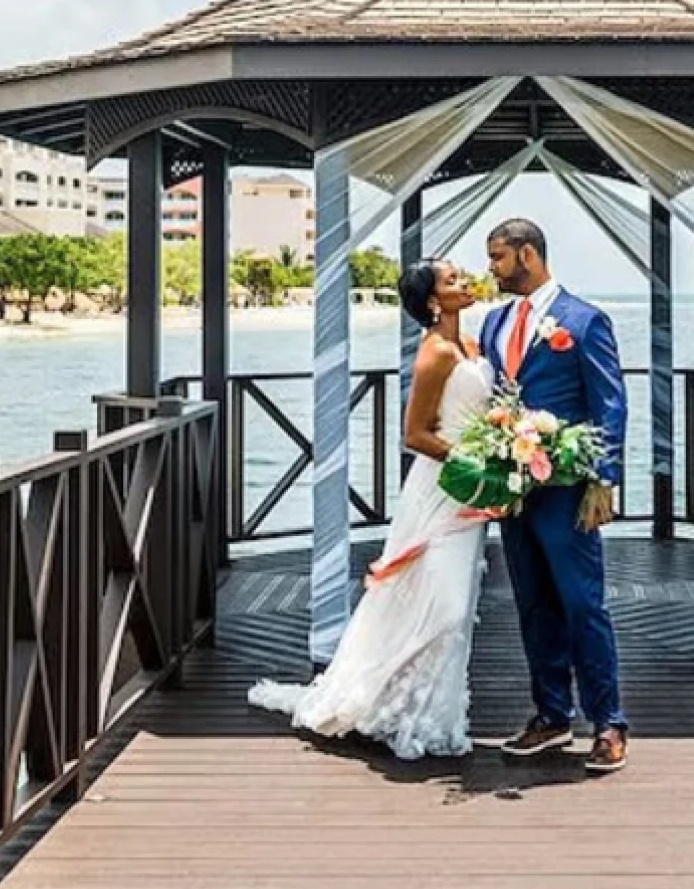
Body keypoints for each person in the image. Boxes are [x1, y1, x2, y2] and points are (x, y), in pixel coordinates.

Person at [247, 260, 494, 759]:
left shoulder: (473, 346)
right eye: (452, 282)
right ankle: (379, 701)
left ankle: (436, 716)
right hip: (441, 488)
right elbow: (415, 434)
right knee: (439, 602)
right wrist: (472, 458)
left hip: (472, 489)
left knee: (460, 600)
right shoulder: (436, 353)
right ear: (430, 302)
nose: (465, 283)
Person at [482, 217, 629, 774]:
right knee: (533, 605)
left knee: (582, 604)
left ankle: (609, 721)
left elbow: (610, 405)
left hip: (569, 489)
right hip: (515, 490)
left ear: (525, 254)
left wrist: (604, 477)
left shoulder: (584, 320)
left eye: (496, 257)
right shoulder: (495, 321)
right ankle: (551, 715)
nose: (490, 268)